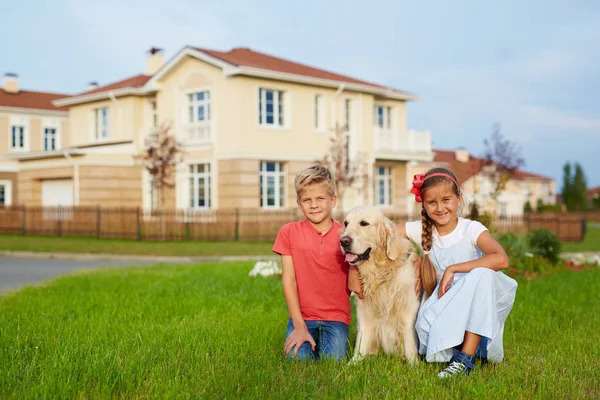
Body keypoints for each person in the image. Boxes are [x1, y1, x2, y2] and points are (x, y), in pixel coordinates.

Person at [398, 167, 518, 378]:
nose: (440, 207)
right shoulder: (421, 230)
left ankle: (465, 359)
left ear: (459, 198)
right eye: (432, 202)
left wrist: (454, 268)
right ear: (423, 205)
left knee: (484, 275)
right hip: (445, 303)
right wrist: (413, 259)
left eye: (446, 199)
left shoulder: (470, 229)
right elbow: (382, 232)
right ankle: (456, 348)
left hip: (476, 304)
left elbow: (501, 259)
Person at [272, 164, 351, 361]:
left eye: (320, 199)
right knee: (298, 360)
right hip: (302, 317)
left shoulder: (347, 234)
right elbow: (289, 281)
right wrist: (299, 326)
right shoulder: (289, 232)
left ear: (332, 200)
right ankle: (302, 333)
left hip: (336, 317)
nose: (313, 205)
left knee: (333, 362)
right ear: (299, 205)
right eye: (307, 200)